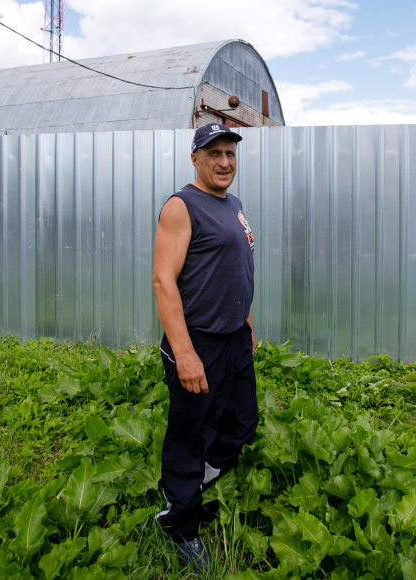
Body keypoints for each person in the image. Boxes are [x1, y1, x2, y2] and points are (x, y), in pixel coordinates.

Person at [151, 123, 258, 570]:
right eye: (213, 153)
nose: (224, 162)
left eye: (230, 154)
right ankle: (179, 522)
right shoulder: (182, 206)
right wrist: (185, 352)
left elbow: (233, 268)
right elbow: (163, 281)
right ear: (195, 158)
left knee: (241, 421)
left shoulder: (231, 204)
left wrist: (246, 322)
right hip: (197, 340)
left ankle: (197, 482)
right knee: (188, 436)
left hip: (233, 337)